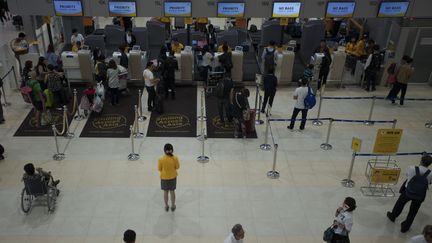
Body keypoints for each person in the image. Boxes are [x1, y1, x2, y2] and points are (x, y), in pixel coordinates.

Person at [387, 154, 432, 233]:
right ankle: (405, 227)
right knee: (413, 212)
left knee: (400, 204)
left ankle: (393, 216)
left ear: (421, 161)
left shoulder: (412, 168)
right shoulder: (430, 173)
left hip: (408, 191)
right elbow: (430, 182)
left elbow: (408, 176)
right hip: (420, 195)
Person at [158, 143, 179, 212]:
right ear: (172, 150)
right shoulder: (175, 158)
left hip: (164, 178)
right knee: (172, 191)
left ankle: (166, 206)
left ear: (164, 150)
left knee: (165, 192)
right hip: (173, 177)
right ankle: (173, 206)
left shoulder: (161, 159)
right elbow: (177, 167)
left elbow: (159, 169)